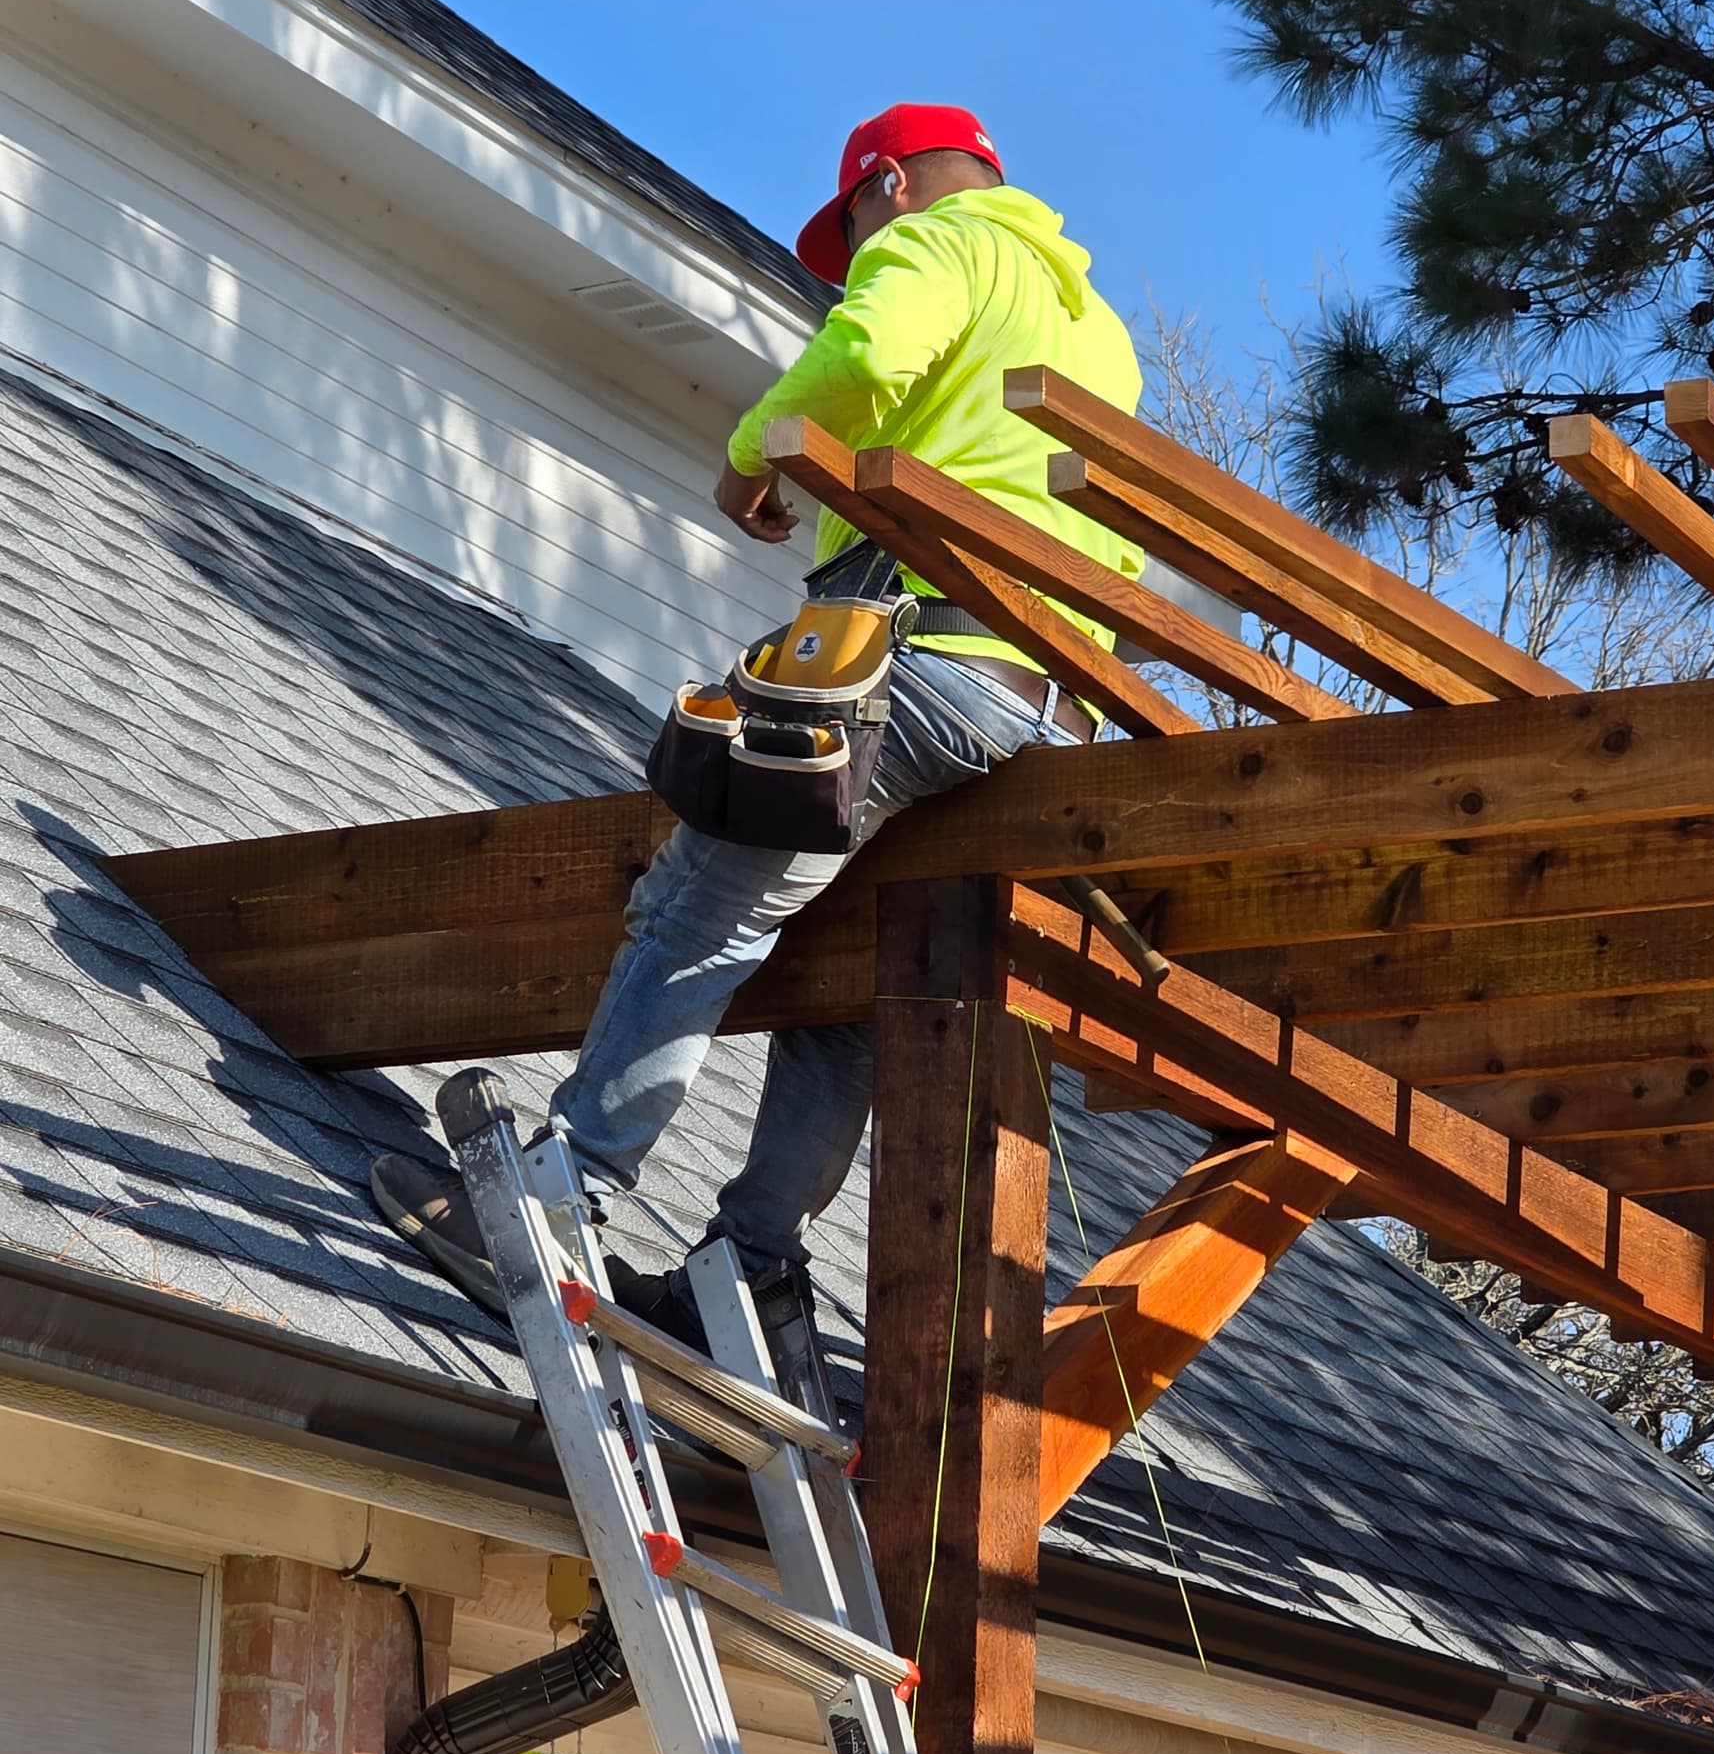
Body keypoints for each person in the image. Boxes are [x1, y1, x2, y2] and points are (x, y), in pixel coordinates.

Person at [372, 102, 1143, 1339]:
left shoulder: (941, 243)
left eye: (852, 239)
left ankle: (561, 1194)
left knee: (695, 908)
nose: (849, 271)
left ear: (887, 184)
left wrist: (750, 456)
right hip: (1031, 710)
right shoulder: (1093, 326)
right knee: (842, 987)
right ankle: (750, 1277)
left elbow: (866, 358)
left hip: (919, 657)